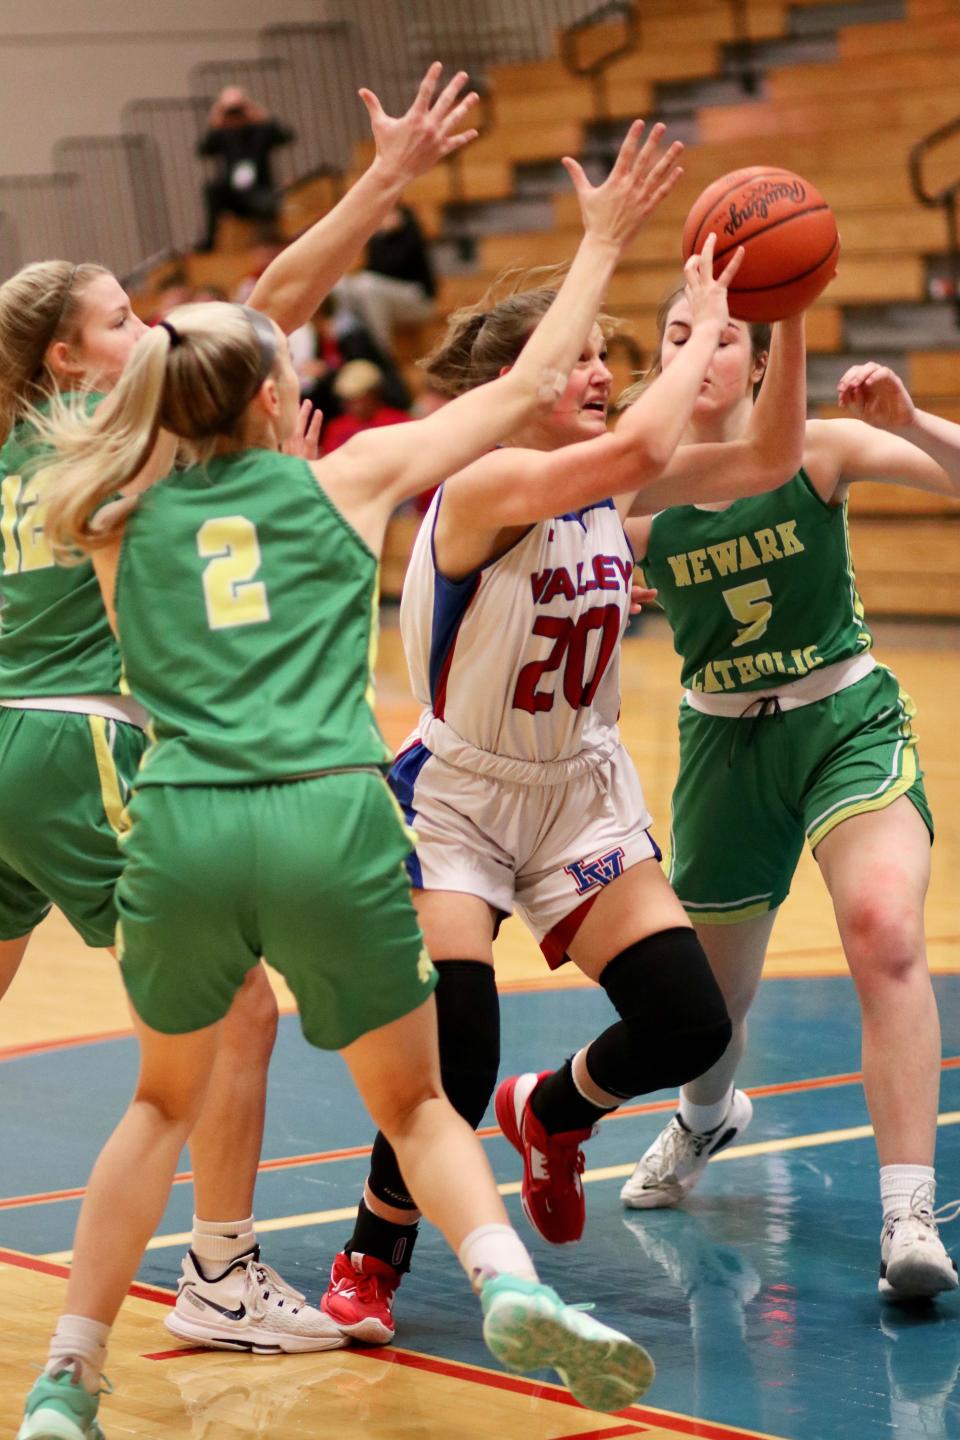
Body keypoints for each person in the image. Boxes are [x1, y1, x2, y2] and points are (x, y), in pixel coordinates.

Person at [17, 110, 688, 1440]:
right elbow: (520, 386)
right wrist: (604, 241)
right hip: (327, 813)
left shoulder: (103, 502)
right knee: (420, 1102)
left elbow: (213, 348)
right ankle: (503, 1281)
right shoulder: (349, 480)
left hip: (186, 826)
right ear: (275, 401)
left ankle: (67, 1380)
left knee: (158, 1102)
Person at [0, 62, 483, 1383]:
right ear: (68, 358)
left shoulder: (16, 450)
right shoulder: (115, 428)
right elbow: (267, 311)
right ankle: (218, 1269)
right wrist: (384, 178)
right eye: (119, 317)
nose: (150, 326)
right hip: (75, 741)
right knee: (240, 1017)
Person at [318, 186, 809, 1349]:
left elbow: (771, 454)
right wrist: (697, 326)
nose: (601, 373)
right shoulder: (482, 488)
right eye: (582, 358)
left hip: (578, 793)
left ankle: (555, 1109)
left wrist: (780, 319)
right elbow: (643, 439)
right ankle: (369, 1254)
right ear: (526, 376)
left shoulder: (608, 479)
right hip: (464, 799)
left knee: (692, 1027)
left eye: (607, 357)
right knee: (458, 1048)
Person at [618, 302, 960, 1302]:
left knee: (884, 929)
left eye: (723, 334)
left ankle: (907, 1212)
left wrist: (909, 423)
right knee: (707, 1012)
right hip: (723, 745)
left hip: (841, 718)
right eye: (677, 334)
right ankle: (707, 1113)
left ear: (763, 362)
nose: (699, 349)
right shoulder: (636, 495)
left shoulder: (815, 452)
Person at [197, 87, 294, 251]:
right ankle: (209, 243)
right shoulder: (222, 134)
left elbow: (286, 136)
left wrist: (257, 114)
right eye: (231, 111)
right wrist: (217, 117)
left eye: (238, 109)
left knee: (268, 203)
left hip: (259, 191)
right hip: (234, 194)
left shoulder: (261, 130)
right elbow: (203, 150)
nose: (235, 115)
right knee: (212, 189)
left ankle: (269, 244)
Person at [335, 202, 436, 352]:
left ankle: (382, 352)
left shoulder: (411, 234)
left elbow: (392, 265)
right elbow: (373, 268)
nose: (385, 219)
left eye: (390, 214)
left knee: (368, 285)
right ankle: (347, 344)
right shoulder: (377, 239)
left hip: (418, 297)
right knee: (341, 285)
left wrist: (383, 235)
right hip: (383, 293)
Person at [321, 359, 411, 453]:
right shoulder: (336, 428)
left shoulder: (399, 422)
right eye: (348, 400)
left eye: (359, 398)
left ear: (375, 394)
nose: (353, 406)